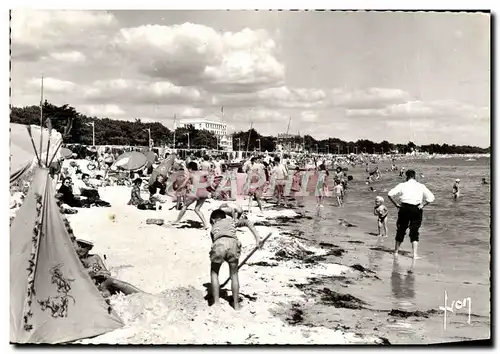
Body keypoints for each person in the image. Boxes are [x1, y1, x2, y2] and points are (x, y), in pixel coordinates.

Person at [208, 209, 262, 310]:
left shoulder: (213, 228)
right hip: (233, 244)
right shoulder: (231, 221)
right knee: (234, 274)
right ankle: (236, 305)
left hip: (218, 245)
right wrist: (257, 238)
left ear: (213, 220)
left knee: (214, 272)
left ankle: (216, 302)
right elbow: (246, 222)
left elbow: (213, 243)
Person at [387, 169, 435, 259]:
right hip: (416, 208)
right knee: (414, 230)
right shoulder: (421, 186)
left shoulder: (402, 185)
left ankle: (396, 251)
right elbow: (431, 197)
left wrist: (396, 204)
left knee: (401, 229)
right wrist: (423, 205)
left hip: (404, 208)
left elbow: (390, 194)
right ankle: (414, 254)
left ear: (407, 177)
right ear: (415, 176)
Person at [75, 239, 141, 298]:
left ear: (89, 248)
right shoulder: (75, 260)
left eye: (83, 246)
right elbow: (76, 275)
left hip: (102, 282)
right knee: (111, 283)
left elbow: (107, 273)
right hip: (89, 285)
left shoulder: (95, 257)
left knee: (113, 281)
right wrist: (92, 272)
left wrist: (100, 273)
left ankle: (141, 294)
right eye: (79, 246)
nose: (80, 248)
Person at [170, 161, 209, 229]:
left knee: (185, 205)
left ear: (190, 169)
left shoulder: (191, 174)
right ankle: (205, 224)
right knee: (197, 209)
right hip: (205, 192)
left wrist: (178, 189)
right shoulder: (201, 173)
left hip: (196, 192)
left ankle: (177, 221)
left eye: (188, 169)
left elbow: (184, 184)